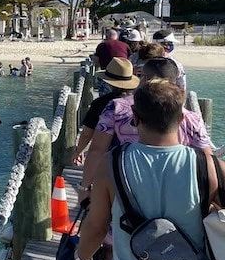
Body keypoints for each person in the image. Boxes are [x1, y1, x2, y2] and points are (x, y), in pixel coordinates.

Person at [74, 79, 221, 260]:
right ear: (183, 117)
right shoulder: (207, 165)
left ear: (135, 118)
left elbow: (96, 227)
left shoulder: (112, 163)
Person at [80, 57, 212, 194]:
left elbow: (97, 150)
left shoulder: (117, 107)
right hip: (177, 191)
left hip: (125, 189)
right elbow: (208, 160)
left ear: (144, 78)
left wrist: (85, 187)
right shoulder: (191, 118)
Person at [73, 58, 139, 165]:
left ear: (108, 82)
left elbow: (87, 133)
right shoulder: (140, 101)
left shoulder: (100, 103)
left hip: (109, 155)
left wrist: (78, 151)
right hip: (137, 153)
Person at [92, 29, 131, 95]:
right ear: (117, 37)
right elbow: (130, 58)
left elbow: (97, 60)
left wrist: (92, 57)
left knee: (104, 97)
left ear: (106, 37)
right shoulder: (125, 45)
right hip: (123, 75)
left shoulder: (102, 45)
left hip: (107, 75)